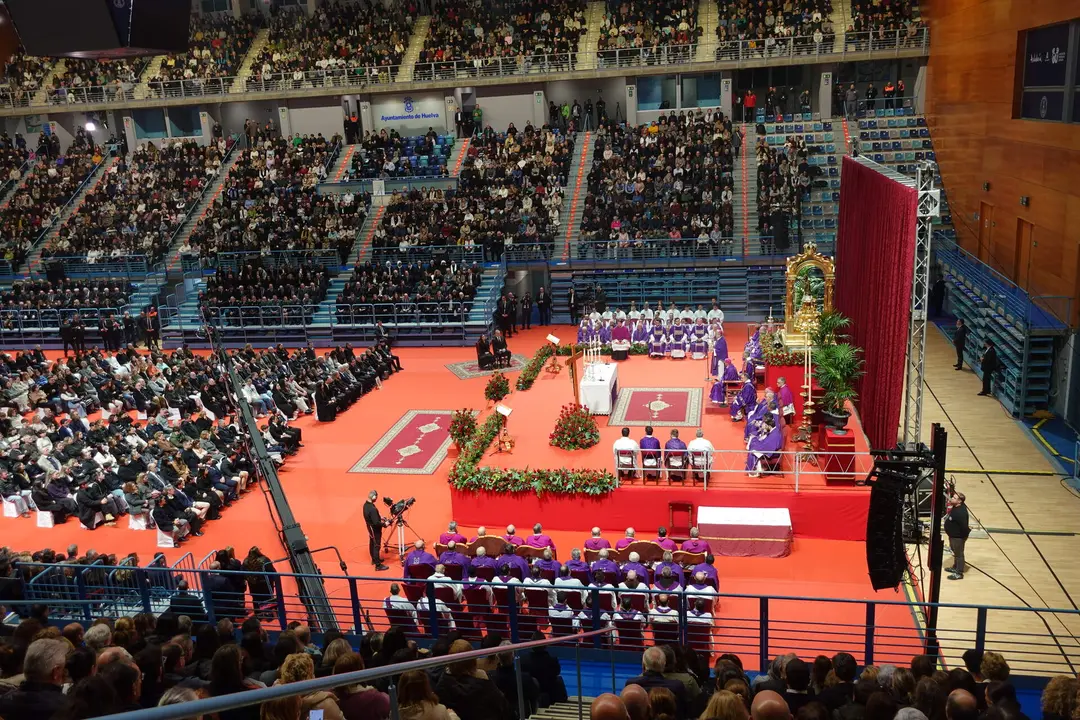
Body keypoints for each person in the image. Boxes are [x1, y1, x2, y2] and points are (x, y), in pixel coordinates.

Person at [0, 638, 70, 720]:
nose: (65, 673)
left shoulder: (4, 702)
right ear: (56, 672)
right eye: (64, 669)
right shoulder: (69, 708)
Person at [944, 492, 970, 580]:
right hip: (953, 536)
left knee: (959, 554)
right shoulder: (956, 507)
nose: (951, 499)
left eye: (954, 498)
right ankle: (955, 567)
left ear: (959, 501)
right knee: (955, 552)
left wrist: (962, 538)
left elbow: (964, 527)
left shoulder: (961, 513)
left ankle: (959, 573)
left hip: (958, 537)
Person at [363, 491, 389, 571]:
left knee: (372, 543)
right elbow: (376, 523)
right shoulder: (372, 509)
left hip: (369, 528)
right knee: (376, 546)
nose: (376, 499)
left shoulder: (366, 505)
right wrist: (385, 524)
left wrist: (380, 517)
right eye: (376, 497)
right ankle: (378, 565)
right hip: (375, 530)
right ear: (374, 497)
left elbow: (372, 517)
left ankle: (374, 559)